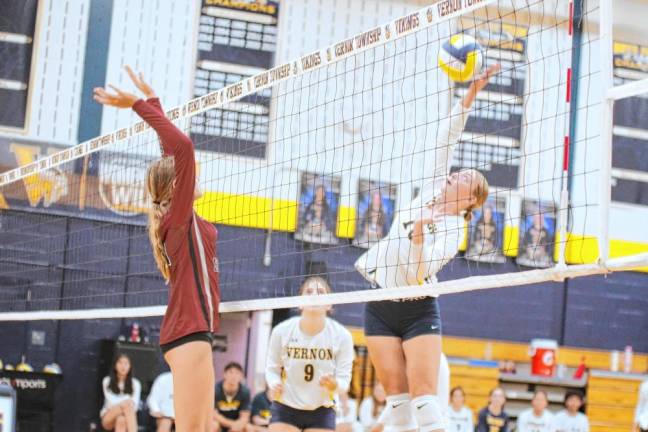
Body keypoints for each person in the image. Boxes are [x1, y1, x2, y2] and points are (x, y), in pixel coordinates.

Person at [354, 64, 500, 432]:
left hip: (418, 308)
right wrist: (471, 92)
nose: (454, 174)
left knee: (425, 399)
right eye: (456, 172)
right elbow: (445, 138)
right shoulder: (433, 190)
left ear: (470, 199)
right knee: (398, 403)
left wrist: (419, 238)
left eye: (462, 178)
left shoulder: (454, 231)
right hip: (381, 302)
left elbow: (420, 272)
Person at [94, 66, 220, 432]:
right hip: (189, 335)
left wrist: (153, 101)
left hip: (191, 335)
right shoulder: (176, 221)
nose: (196, 175)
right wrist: (136, 104)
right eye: (188, 175)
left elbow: (173, 155)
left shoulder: (178, 217)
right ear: (177, 187)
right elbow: (183, 148)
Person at [265, 276, 355, 432]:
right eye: (309, 291)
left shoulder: (342, 336)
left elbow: (344, 382)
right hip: (285, 407)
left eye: (320, 291)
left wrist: (335, 384)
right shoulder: (281, 331)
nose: (314, 294)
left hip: (322, 410)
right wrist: (274, 383)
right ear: (300, 302)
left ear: (329, 304)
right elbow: (272, 369)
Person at [100, 354, 141, 432]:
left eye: (126, 363)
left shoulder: (136, 383)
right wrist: (126, 402)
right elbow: (111, 403)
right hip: (109, 416)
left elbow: (135, 407)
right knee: (128, 405)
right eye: (120, 363)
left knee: (121, 419)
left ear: (130, 366)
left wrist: (126, 405)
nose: (123, 366)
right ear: (115, 365)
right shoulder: (107, 380)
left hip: (126, 416)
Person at [214, 362, 251, 432]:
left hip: (237, 423)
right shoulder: (215, 389)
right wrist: (232, 424)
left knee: (249, 428)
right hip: (219, 423)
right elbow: (214, 414)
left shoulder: (245, 391)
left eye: (237, 373)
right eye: (230, 372)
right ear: (224, 374)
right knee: (213, 425)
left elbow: (245, 416)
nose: (234, 376)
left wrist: (238, 425)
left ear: (241, 376)